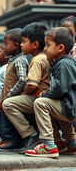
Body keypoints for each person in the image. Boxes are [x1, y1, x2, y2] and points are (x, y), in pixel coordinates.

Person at [25, 27, 76, 158]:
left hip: (70, 106)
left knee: (41, 103)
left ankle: (48, 145)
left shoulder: (64, 64)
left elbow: (61, 88)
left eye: (48, 45)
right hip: (69, 105)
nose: (45, 49)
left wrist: (45, 94)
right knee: (53, 105)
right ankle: (72, 143)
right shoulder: (62, 63)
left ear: (60, 48)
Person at [2, 23, 50, 153]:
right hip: (43, 97)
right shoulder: (45, 57)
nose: (21, 45)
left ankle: (30, 135)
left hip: (37, 97)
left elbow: (32, 84)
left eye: (24, 42)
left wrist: (23, 93)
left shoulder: (36, 60)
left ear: (34, 44)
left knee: (8, 104)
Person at [0, 28, 29, 150]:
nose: (4, 47)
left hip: (13, 98)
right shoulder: (12, 59)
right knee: (4, 120)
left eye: (6, 44)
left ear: (16, 45)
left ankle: (12, 141)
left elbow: (23, 80)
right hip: (7, 96)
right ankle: (6, 139)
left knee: (9, 121)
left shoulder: (20, 60)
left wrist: (9, 96)